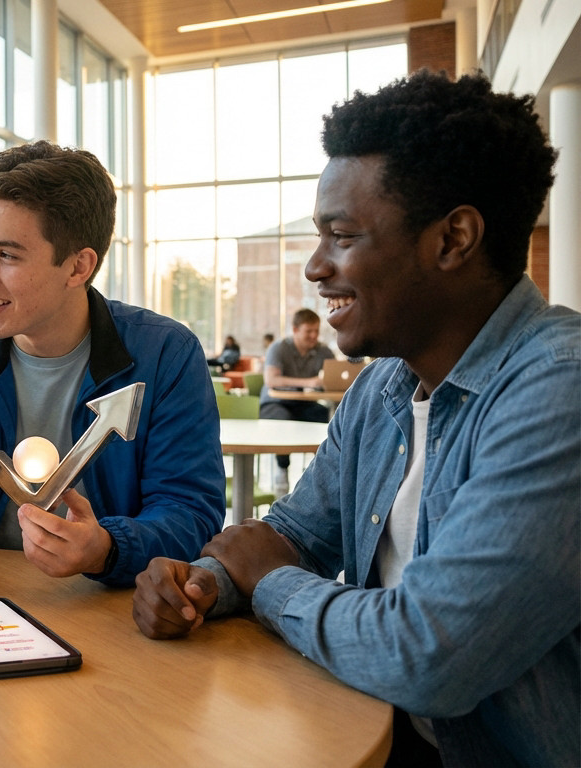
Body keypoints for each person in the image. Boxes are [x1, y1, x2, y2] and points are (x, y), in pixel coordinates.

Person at [131, 71, 578, 768]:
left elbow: (428, 655)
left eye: (341, 236)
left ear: (454, 239)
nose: (315, 267)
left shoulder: (559, 391)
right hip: (374, 733)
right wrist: (204, 584)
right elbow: (297, 534)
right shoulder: (382, 390)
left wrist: (267, 582)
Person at [0, 140, 225, 586]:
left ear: (78, 267)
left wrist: (107, 549)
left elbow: (192, 513)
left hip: (110, 612)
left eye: (7, 254)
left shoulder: (166, 356)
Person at [259, 307, 336, 492]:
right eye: (308, 331)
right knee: (281, 420)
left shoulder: (323, 351)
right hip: (275, 402)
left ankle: (320, 472)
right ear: (295, 330)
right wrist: (309, 381)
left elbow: (336, 375)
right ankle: (282, 469)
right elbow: (271, 380)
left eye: (316, 331)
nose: (313, 336)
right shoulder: (278, 348)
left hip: (304, 403)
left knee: (326, 418)